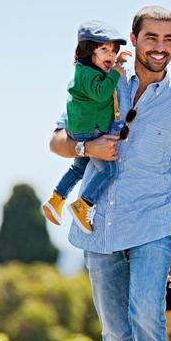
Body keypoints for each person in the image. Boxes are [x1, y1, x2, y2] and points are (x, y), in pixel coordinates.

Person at [49, 5, 171, 341]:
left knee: (147, 316)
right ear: (133, 41)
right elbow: (57, 141)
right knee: (116, 334)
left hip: (154, 225)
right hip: (99, 225)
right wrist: (87, 148)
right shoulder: (100, 81)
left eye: (168, 39)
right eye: (151, 37)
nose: (160, 47)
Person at [41, 20, 131, 233]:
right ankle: (84, 204)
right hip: (91, 131)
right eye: (104, 49)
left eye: (113, 50)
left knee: (79, 167)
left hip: (80, 129)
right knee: (110, 170)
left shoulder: (85, 70)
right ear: (89, 51)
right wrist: (117, 71)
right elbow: (101, 92)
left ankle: (56, 199)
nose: (110, 55)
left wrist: (113, 64)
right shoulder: (88, 74)